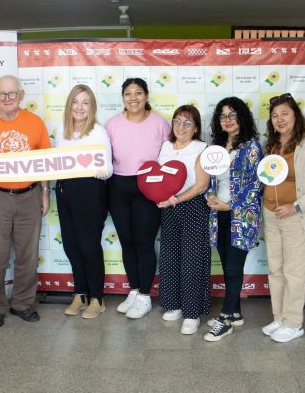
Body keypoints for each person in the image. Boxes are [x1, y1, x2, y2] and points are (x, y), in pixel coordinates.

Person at [0, 75, 51, 328]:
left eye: (11, 94)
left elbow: (45, 159)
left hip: (29, 195)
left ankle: (23, 303)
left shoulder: (35, 122)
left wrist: (45, 192)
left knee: (28, 255)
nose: (7, 99)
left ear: (21, 95)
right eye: (1, 94)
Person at [261, 93, 305, 343]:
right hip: (271, 215)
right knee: (276, 270)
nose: (279, 119)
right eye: (275, 116)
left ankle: (293, 323)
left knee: (294, 272)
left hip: (297, 218)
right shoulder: (273, 145)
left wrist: (296, 206)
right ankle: (279, 318)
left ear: (296, 115)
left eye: (284, 114)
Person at [106, 78, 169, 319]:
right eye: (128, 93)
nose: (133, 98)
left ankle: (145, 295)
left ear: (146, 96)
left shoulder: (160, 124)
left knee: (144, 241)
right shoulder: (111, 124)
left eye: (138, 93)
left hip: (148, 185)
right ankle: (133, 290)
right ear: (123, 98)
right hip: (118, 185)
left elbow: (169, 157)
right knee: (127, 241)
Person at [205, 97, 263, 342]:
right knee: (228, 265)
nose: (227, 120)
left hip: (241, 217)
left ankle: (226, 317)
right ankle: (236, 312)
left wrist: (229, 205)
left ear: (242, 117)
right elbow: (211, 180)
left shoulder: (251, 147)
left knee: (233, 267)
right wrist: (210, 195)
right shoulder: (217, 148)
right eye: (222, 115)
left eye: (232, 114)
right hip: (218, 216)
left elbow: (255, 187)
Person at [54, 84, 113, 319]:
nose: (79, 107)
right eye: (75, 102)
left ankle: (97, 298)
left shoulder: (98, 131)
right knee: (71, 245)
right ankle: (80, 293)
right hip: (65, 190)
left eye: (85, 102)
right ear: (69, 105)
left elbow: (108, 167)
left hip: (89, 192)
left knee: (89, 246)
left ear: (92, 107)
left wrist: (100, 171)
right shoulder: (61, 130)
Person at [157, 105, 210, 334]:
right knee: (169, 256)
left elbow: (201, 185)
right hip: (168, 208)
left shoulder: (201, 148)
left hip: (193, 207)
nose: (181, 127)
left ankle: (191, 313)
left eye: (187, 123)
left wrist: (175, 200)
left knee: (191, 260)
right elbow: (157, 177)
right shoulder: (166, 146)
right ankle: (174, 304)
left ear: (196, 127)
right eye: (177, 121)